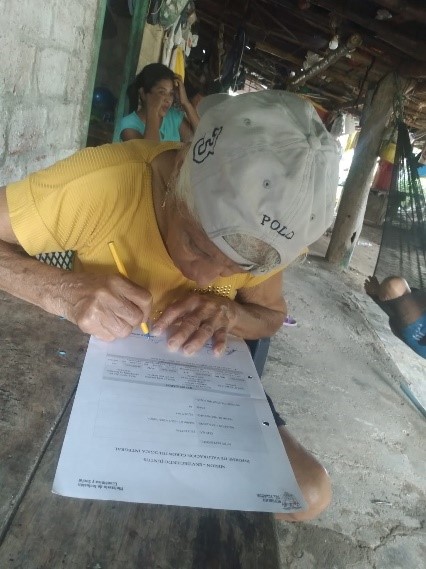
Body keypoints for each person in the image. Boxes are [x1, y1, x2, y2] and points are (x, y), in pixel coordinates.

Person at [0, 90, 340, 521]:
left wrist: (230, 313)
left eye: (233, 268)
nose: (205, 279)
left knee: (309, 494)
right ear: (181, 167)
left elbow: (271, 317)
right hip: (97, 365)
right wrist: (62, 290)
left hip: (201, 383)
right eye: (195, 244)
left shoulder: (270, 232)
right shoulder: (105, 182)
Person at [119, 62, 199, 143]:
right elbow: (151, 150)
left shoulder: (173, 116)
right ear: (143, 93)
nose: (168, 100)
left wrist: (185, 103)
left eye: (171, 93)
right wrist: (153, 111)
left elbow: (200, 138)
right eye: (162, 92)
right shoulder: (129, 125)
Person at [364, 275, 426, 358]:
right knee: (395, 286)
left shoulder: (405, 320)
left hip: (412, 323)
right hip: (412, 319)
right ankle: (382, 294)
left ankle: (381, 294)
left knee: (394, 286)